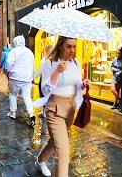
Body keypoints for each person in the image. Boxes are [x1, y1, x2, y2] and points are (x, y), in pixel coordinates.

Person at [35, 36, 90, 177]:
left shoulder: (76, 63)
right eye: (68, 46)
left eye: (74, 46)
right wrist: (57, 71)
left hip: (71, 108)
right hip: (55, 108)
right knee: (64, 152)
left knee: (55, 142)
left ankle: (40, 160)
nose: (72, 50)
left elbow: (77, 86)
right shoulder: (50, 63)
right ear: (60, 46)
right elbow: (45, 89)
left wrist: (83, 84)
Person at [5, 35, 36, 127]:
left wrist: (8, 72)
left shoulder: (13, 51)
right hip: (27, 79)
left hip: (15, 77)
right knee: (27, 97)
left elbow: (9, 63)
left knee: (13, 95)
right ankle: (31, 115)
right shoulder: (30, 52)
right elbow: (33, 65)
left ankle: (13, 112)